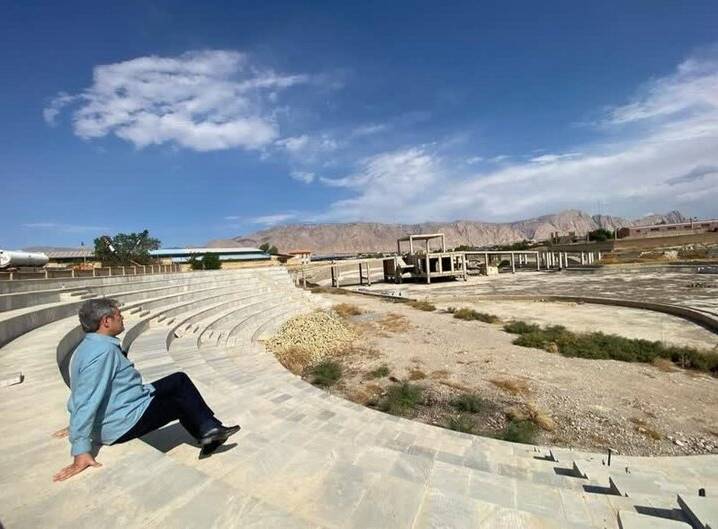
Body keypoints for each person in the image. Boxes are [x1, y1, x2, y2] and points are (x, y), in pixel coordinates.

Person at [53, 298, 239, 482]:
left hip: (127, 402)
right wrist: (80, 448)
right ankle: (209, 431)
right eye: (118, 315)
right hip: (122, 423)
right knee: (181, 400)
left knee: (178, 380)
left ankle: (210, 431)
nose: (122, 318)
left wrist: (74, 421)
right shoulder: (102, 353)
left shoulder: (88, 346)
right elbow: (87, 398)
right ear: (106, 321)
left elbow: (80, 389)